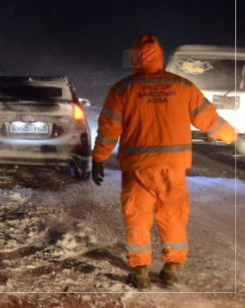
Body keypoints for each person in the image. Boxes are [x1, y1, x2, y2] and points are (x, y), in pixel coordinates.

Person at [91, 35, 240, 291]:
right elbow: (209, 121)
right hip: (173, 166)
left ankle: (139, 272)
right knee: (173, 215)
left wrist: (99, 158)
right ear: (160, 56)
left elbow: (108, 130)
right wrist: (232, 137)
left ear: (135, 57)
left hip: (138, 168)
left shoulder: (122, 89)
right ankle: (171, 270)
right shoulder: (182, 86)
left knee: (137, 216)